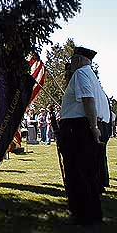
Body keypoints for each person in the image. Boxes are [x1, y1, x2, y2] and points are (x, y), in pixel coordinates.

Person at [59, 46, 110, 227]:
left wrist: (93, 127)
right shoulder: (93, 78)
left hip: (78, 129)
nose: (70, 65)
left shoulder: (80, 74)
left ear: (78, 60)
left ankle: (83, 215)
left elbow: (88, 100)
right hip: (86, 127)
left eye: (72, 61)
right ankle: (91, 214)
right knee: (89, 172)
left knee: (77, 172)